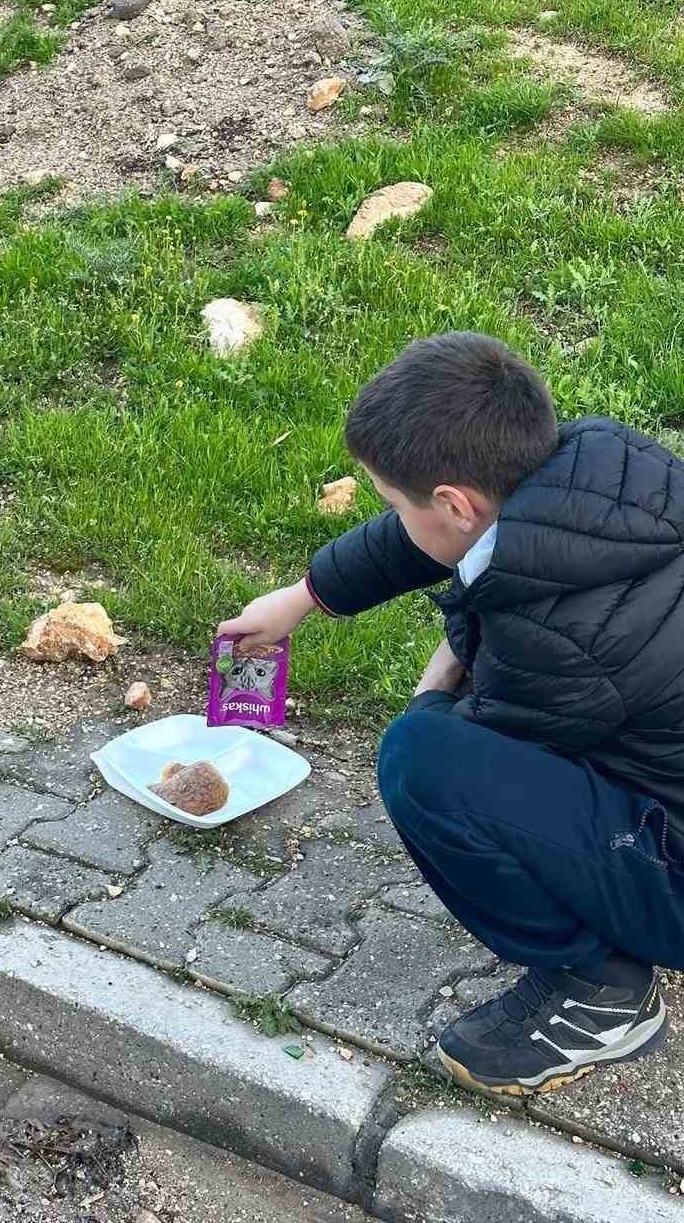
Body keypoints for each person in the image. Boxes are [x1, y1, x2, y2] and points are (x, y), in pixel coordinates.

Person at [219, 331, 684, 1097]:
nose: (394, 517)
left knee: (423, 762)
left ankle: (598, 991)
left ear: (454, 504)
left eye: (393, 502)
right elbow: (439, 542)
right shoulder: (600, 471)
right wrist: (305, 597)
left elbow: (478, 746)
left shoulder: (552, 640)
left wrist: (433, 690)